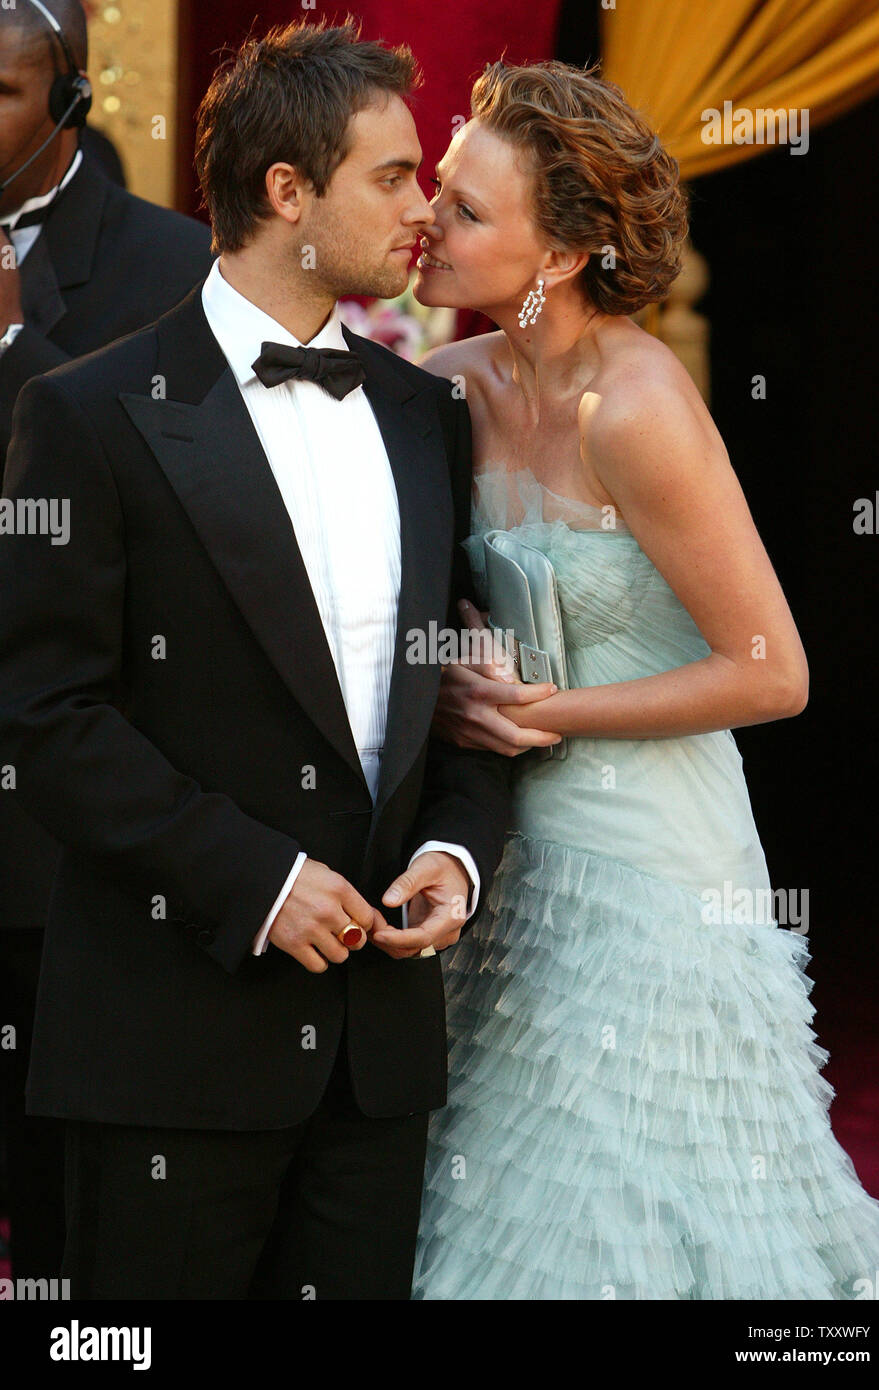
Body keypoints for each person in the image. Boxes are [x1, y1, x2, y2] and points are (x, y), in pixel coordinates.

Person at [0, 20, 511, 1300]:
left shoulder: (426, 415)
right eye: (391, 177)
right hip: (168, 1040)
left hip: (377, 1062)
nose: (423, 209)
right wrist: (261, 878)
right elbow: (44, 714)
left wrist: (456, 851)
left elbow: (455, 681)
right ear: (287, 192)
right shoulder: (84, 412)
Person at [410, 59, 879, 1299]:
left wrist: (544, 712)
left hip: (654, 867)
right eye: (435, 187)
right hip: (495, 861)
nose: (429, 218)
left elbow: (772, 672)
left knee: (609, 1203)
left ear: (562, 255)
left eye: (468, 211)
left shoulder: (633, 407)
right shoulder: (436, 392)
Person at [0, 0, 212, 1283]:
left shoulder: (169, 265)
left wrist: (18, 344)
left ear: (71, 102)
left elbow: (162, 506)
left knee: (61, 1191)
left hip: (50, 816)